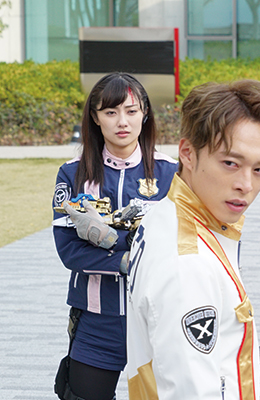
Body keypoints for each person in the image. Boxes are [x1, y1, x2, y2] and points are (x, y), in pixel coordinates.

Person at [126, 80, 260, 400]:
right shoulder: (190, 263)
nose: (246, 184)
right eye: (230, 163)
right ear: (188, 153)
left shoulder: (165, 215)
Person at [52, 72, 178, 400]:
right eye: (110, 112)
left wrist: (109, 239)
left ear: (145, 113)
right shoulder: (72, 173)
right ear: (95, 117)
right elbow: (69, 251)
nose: (122, 121)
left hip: (159, 320)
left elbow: (180, 245)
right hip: (97, 323)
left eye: (131, 111)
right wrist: (126, 258)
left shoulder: (172, 173)